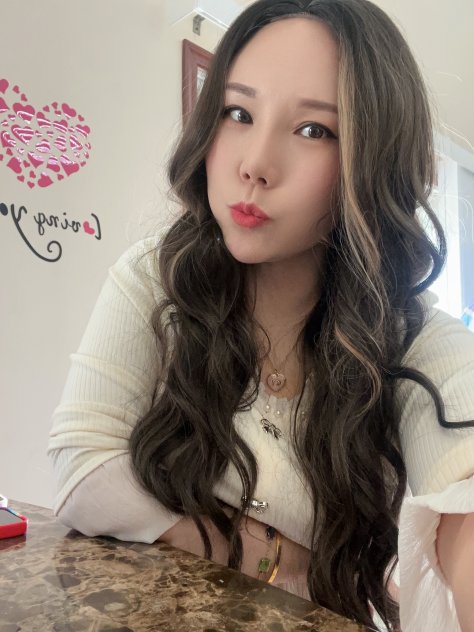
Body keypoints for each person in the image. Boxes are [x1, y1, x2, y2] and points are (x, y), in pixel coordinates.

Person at [48, 1, 474, 630]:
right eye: (239, 113)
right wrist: (277, 556)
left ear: (372, 160)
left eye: (313, 130)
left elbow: (464, 483)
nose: (254, 165)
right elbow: (83, 467)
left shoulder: (408, 336)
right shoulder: (159, 276)